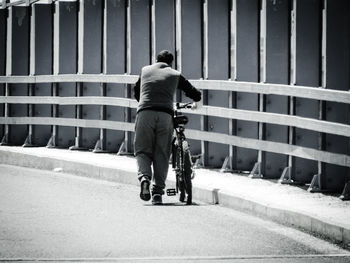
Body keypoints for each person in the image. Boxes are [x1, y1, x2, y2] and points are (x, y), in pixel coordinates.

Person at [133, 50, 201, 205]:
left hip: (145, 113)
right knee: (162, 153)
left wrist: (145, 103)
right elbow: (193, 92)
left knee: (142, 150)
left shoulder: (145, 70)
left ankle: (144, 178)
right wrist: (197, 100)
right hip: (165, 115)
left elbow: (136, 91)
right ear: (171, 63)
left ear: (156, 60)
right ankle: (157, 193)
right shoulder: (175, 74)